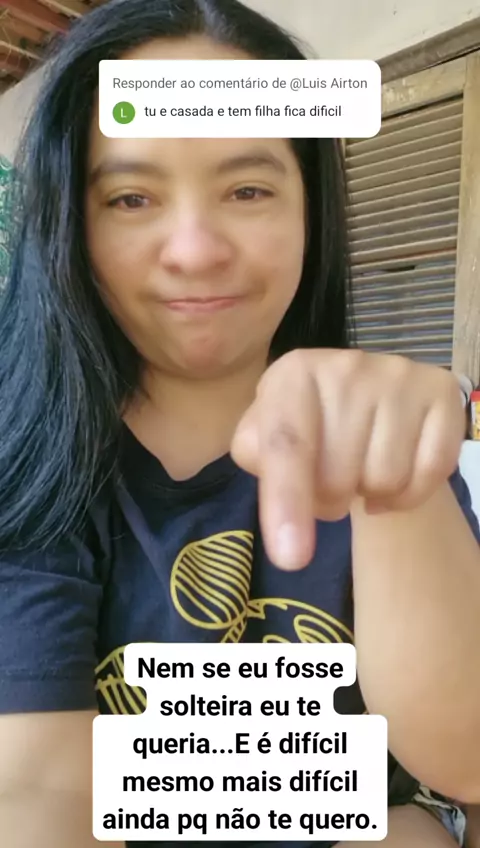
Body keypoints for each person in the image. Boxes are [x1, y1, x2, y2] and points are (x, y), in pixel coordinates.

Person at [0, 0, 479, 847]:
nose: (195, 250)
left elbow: (465, 760)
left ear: (310, 209)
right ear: (69, 224)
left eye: (248, 189)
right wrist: (370, 806)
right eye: (132, 197)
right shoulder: (29, 459)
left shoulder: (381, 438)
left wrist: (394, 494)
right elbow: (38, 794)